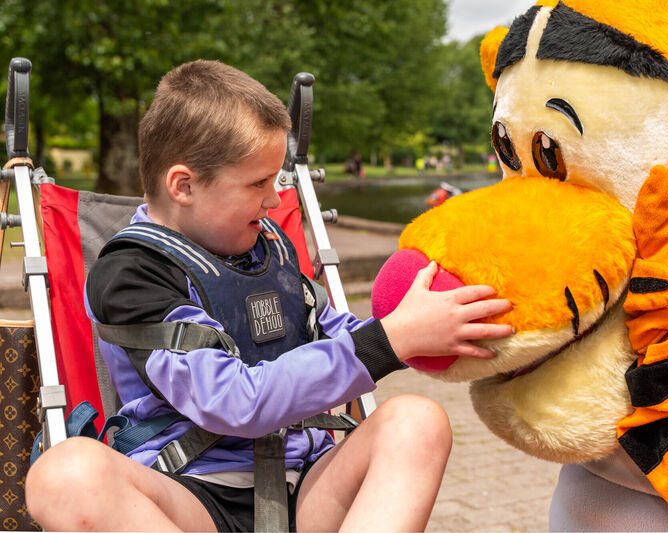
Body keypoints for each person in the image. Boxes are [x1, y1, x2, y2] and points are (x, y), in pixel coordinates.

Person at [25, 60, 512, 532]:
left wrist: (429, 326)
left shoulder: (266, 248)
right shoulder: (131, 275)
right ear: (184, 186)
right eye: (258, 183)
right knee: (64, 475)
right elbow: (234, 400)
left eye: (277, 179)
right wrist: (388, 341)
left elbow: (330, 331)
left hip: (307, 486)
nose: (276, 200)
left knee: (416, 420)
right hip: (190, 493)